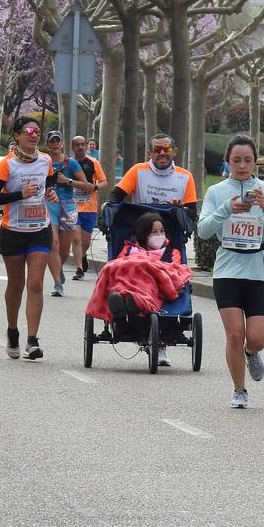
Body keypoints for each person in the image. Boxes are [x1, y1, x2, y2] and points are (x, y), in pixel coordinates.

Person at [197, 134, 264, 409]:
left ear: (255, 162)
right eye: (236, 160)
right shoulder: (217, 192)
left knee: (256, 338)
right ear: (228, 161)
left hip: (258, 267)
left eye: (247, 160)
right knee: (235, 333)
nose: (242, 166)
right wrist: (227, 208)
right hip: (228, 268)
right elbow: (203, 231)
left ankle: (252, 352)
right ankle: (239, 389)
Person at [110, 133, 199, 366]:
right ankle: (127, 305)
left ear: (174, 151)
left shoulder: (184, 177)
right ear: (150, 153)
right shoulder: (138, 171)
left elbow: (192, 216)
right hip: (140, 236)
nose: (162, 153)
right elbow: (116, 197)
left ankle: (161, 340)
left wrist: (180, 209)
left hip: (168, 238)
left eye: (166, 148)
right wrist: (107, 209)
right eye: (157, 149)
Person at [0, 116, 58, 360]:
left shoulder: (46, 160)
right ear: (16, 135)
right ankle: (13, 330)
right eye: (28, 131)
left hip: (40, 229)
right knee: (16, 285)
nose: (34, 134)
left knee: (35, 283)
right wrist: (18, 194)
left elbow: (48, 185)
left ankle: (32, 340)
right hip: (13, 232)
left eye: (37, 131)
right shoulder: (8, 164)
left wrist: (51, 194)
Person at [86, 211, 192, 322]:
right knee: (120, 276)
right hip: (128, 280)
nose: (160, 235)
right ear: (144, 234)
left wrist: (148, 265)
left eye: (162, 231)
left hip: (153, 282)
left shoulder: (171, 252)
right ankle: (123, 303)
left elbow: (174, 271)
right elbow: (119, 265)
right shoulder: (130, 249)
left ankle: (134, 302)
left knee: (146, 285)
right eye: (154, 232)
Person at [43, 130, 89, 296]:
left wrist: (67, 181)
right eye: (52, 141)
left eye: (58, 141)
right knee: (53, 243)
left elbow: (86, 185)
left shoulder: (71, 163)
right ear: (47, 144)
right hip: (49, 205)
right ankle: (57, 283)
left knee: (64, 248)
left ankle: (59, 268)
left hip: (68, 207)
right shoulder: (43, 162)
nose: (55, 144)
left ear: (62, 144)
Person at [70, 134, 108, 280]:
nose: (80, 147)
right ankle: (79, 268)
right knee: (76, 238)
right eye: (77, 145)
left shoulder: (93, 162)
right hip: (72, 207)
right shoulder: (69, 163)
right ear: (73, 147)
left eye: (82, 144)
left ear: (86, 146)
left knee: (85, 242)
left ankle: (83, 255)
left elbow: (104, 182)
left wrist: (95, 187)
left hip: (90, 207)